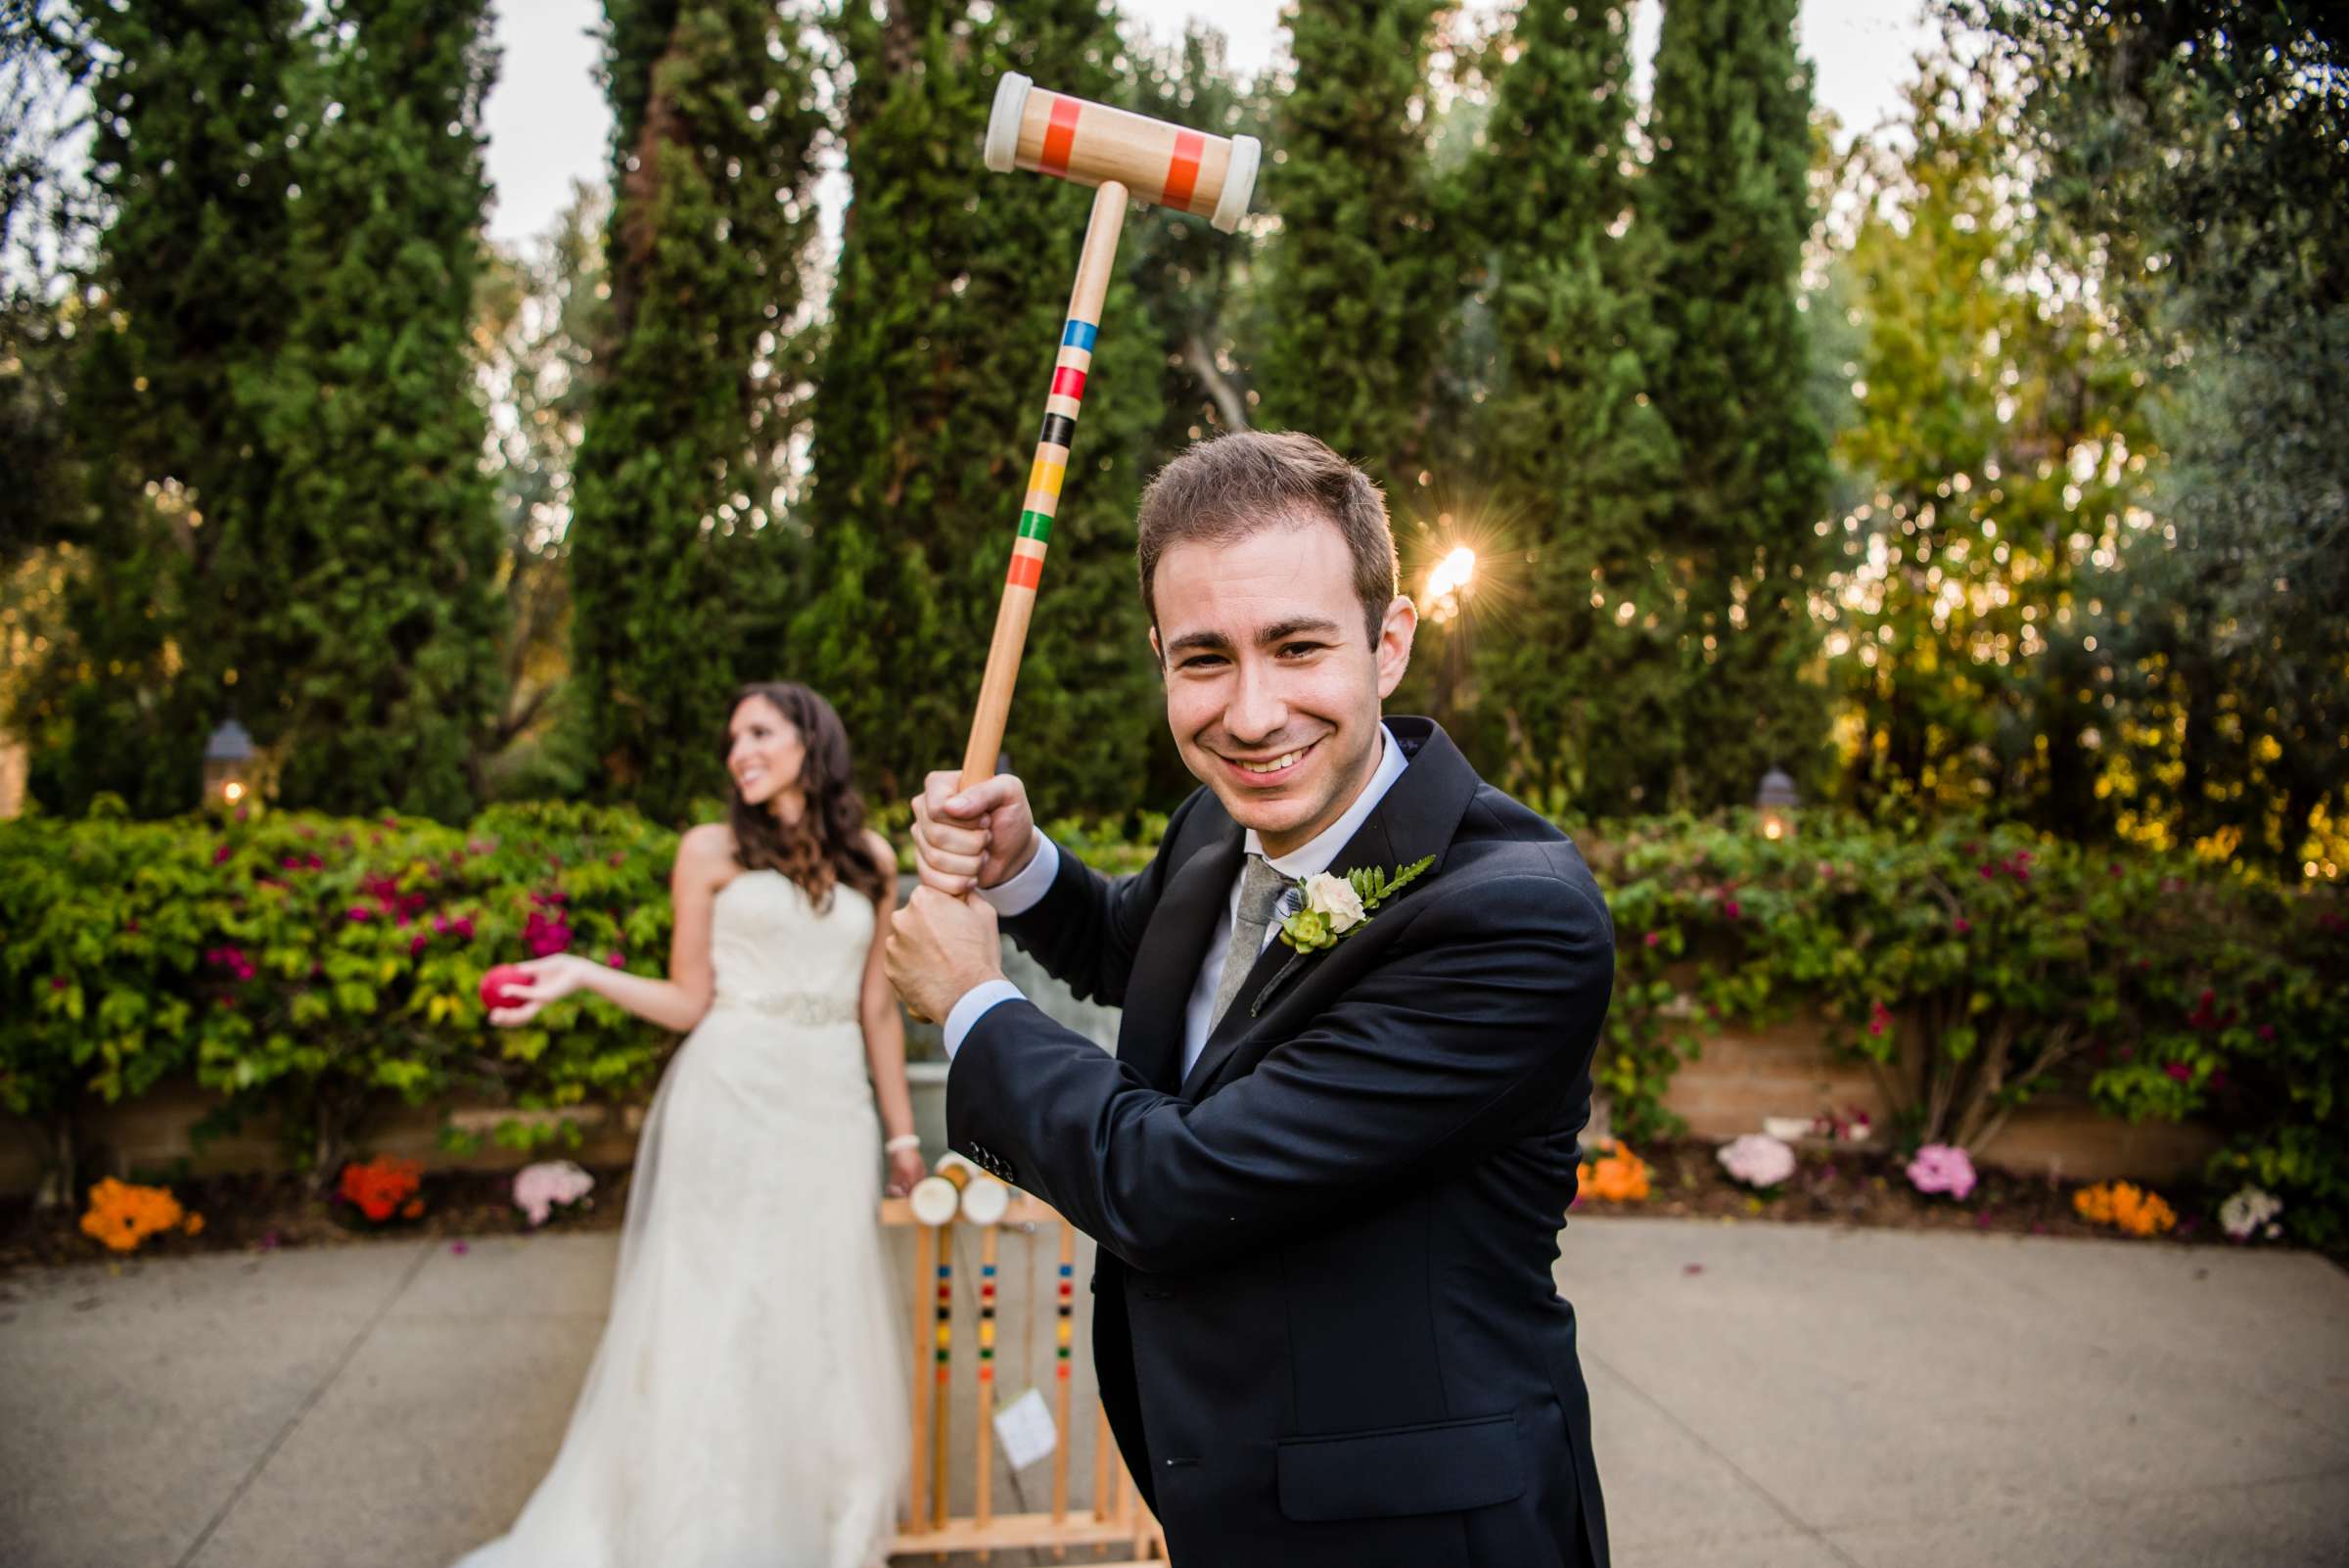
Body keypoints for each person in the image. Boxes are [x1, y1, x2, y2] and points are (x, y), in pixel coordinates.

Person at [886, 432, 1615, 1568]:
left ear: (1389, 643)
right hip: (1224, 1489)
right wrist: (1021, 865)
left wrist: (973, 1003)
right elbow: (1142, 965)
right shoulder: (1219, 824)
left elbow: (1175, 1184)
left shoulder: (1517, 919)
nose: (1253, 713)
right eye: (1204, 659)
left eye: (1297, 646)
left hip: (1414, 1528)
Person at [456, 682, 920, 1568]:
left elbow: (881, 1014)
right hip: (731, 1093)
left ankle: (823, 1525)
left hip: (831, 1105)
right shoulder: (707, 849)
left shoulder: (871, 856)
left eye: (759, 731)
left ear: (810, 738)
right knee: (721, 1305)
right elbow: (685, 1000)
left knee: (821, 1305)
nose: (738, 750)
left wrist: (903, 1136)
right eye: (731, 737)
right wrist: (578, 971)